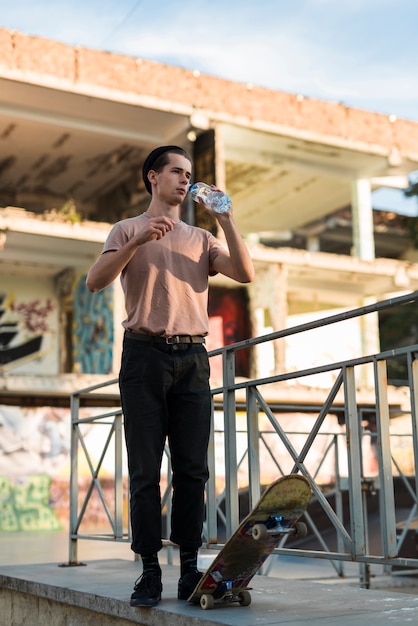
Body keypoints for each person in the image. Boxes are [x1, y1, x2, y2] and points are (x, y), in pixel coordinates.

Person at [86, 145, 254, 607]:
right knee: (144, 472)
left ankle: (190, 569)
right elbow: (95, 281)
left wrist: (226, 219)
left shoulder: (201, 238)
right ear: (152, 178)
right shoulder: (125, 229)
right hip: (142, 357)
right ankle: (148, 571)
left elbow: (244, 272)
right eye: (176, 172)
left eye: (189, 174)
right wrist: (138, 241)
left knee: (193, 471)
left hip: (193, 359)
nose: (185, 181)